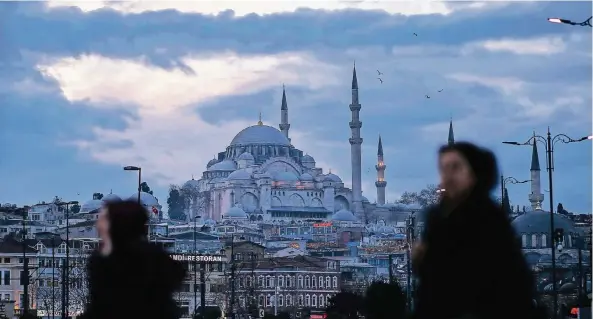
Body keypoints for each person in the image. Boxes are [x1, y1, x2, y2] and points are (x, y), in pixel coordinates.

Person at [412, 142, 543, 319]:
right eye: (444, 169)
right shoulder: (437, 219)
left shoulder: (490, 221)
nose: (448, 176)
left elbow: (508, 282)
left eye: (455, 167)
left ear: (474, 173)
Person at [81, 200, 186, 319]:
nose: (98, 224)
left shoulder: (105, 261)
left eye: (104, 219)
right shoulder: (155, 255)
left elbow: (102, 305)